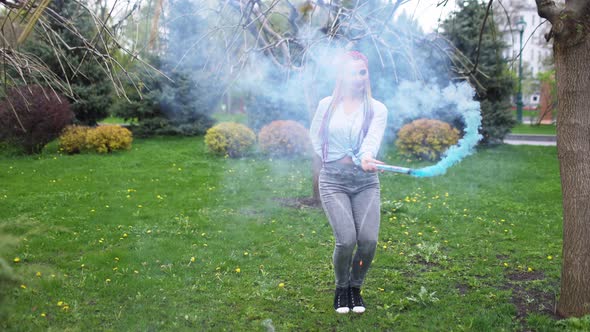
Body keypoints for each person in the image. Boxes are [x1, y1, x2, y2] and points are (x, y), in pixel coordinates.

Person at [309, 51, 388, 314]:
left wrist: (367, 157)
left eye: (362, 72)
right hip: (333, 181)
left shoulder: (377, 108)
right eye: (352, 72)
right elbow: (315, 137)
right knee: (346, 240)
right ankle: (341, 288)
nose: (358, 78)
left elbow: (372, 139)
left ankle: (356, 287)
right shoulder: (327, 104)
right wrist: (331, 159)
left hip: (365, 182)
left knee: (368, 241)